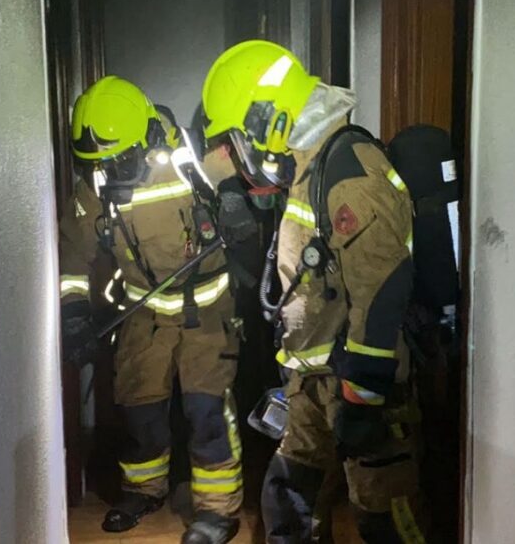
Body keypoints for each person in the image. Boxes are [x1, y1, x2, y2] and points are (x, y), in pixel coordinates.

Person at [200, 41, 427, 543]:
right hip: (313, 383)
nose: (241, 151)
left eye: (241, 137)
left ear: (266, 119)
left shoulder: (350, 172)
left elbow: (382, 286)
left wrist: (363, 396)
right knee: (287, 500)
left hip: (359, 383)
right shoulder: (309, 163)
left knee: (385, 517)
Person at [59, 76, 247, 543]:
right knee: (140, 408)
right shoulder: (98, 180)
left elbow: (254, 175)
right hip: (144, 313)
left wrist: (236, 201)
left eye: (116, 158)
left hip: (206, 310)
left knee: (207, 411)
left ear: (144, 137)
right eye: (98, 162)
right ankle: (144, 490)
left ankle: (217, 511)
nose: (107, 169)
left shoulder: (191, 157)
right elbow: (73, 250)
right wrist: (74, 311)